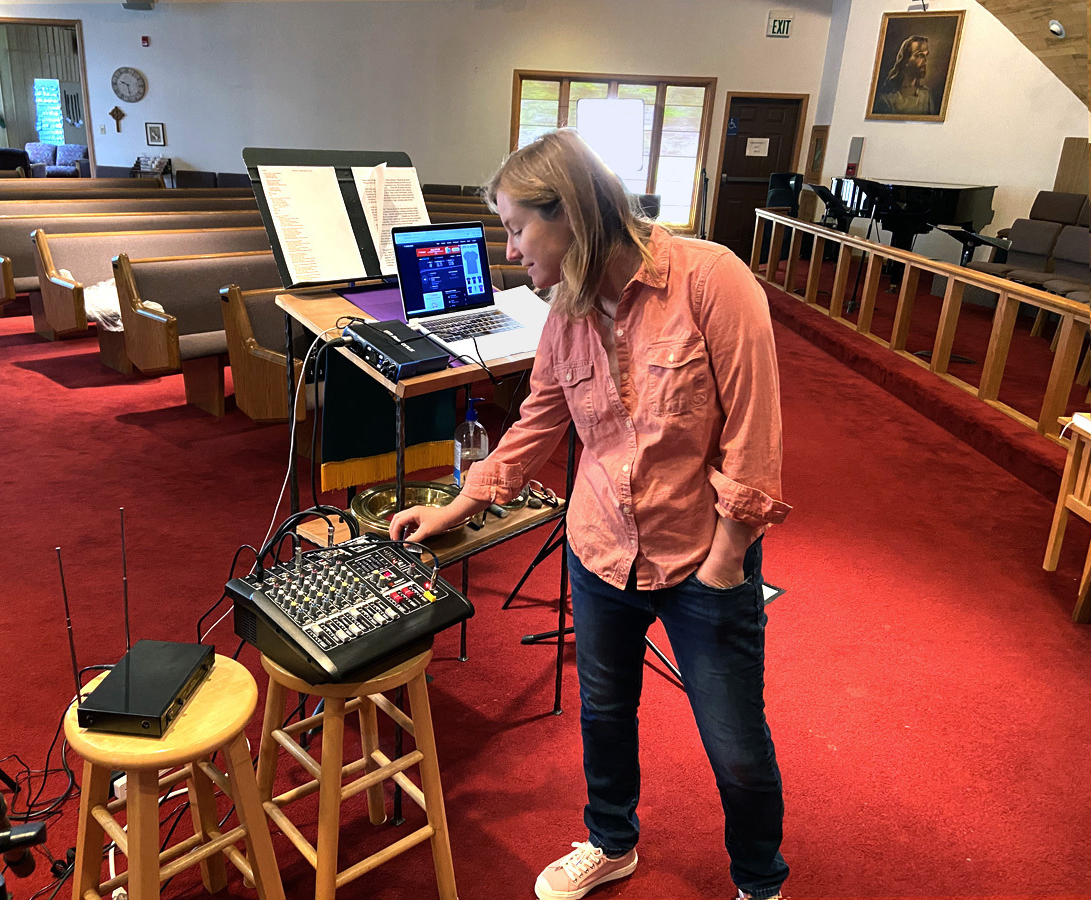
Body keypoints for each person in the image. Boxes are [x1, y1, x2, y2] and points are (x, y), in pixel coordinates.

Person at [389, 129, 791, 900]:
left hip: (701, 559)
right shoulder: (567, 312)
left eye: (514, 226)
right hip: (600, 550)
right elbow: (538, 421)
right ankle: (612, 841)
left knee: (735, 743)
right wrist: (457, 505)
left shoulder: (711, 280)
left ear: (568, 212)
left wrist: (728, 556)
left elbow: (755, 434)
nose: (508, 250)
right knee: (605, 717)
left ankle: (759, 882)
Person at [873, 34, 937, 116]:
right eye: (919, 55)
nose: (925, 61)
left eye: (926, 55)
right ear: (906, 60)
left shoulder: (925, 95)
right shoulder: (887, 98)